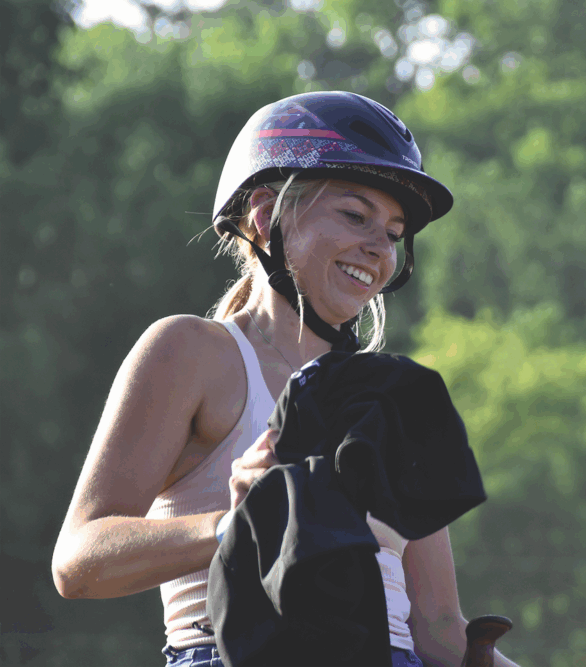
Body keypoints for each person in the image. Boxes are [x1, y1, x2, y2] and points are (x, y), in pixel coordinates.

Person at [52, 91, 519, 667]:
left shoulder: (392, 400)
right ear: (267, 216)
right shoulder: (191, 352)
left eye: (394, 234)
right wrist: (234, 526)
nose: (378, 248)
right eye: (355, 215)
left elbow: (438, 626)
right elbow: (78, 563)